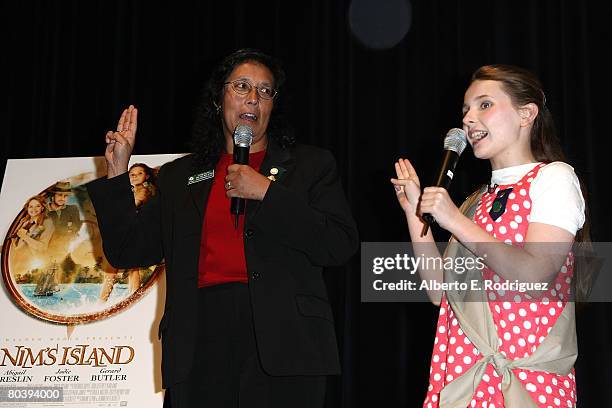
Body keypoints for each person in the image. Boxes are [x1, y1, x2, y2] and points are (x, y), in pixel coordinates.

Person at [87, 48, 358, 408]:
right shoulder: (179, 177)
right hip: (199, 340)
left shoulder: (311, 165)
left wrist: (267, 193)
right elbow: (126, 250)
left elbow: (339, 244)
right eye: (242, 86)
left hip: (286, 343)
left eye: (265, 91)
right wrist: (118, 173)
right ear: (218, 98)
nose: (253, 97)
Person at [391, 65, 588, 407]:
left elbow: (536, 273)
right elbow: (440, 293)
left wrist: (452, 219)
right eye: (466, 110)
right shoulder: (474, 202)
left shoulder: (554, 178)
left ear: (526, 114)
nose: (468, 119)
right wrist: (413, 213)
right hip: (464, 379)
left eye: (484, 105)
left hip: (525, 384)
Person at [46, 181, 82, 255]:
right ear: (52, 196)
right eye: (60, 195)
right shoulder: (44, 211)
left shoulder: (73, 209)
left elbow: (76, 227)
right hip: (48, 248)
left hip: (66, 246)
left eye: (65, 196)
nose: (62, 198)